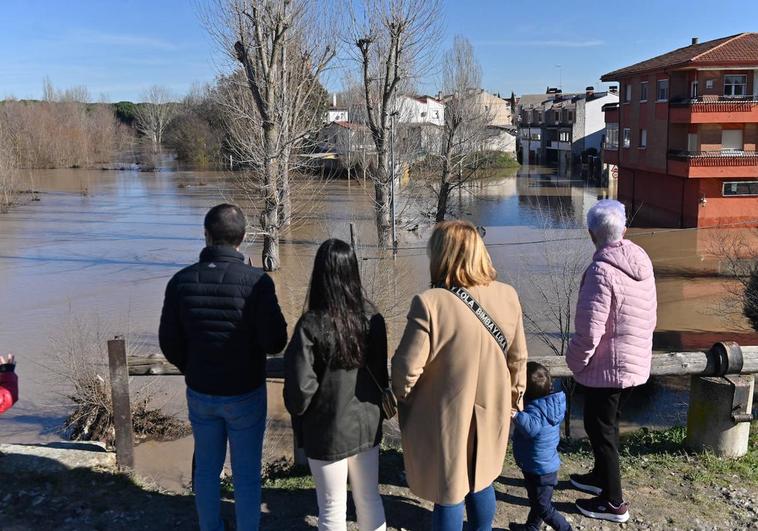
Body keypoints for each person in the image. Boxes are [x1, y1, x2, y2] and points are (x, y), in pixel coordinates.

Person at [392, 220, 528, 531]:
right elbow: (518, 358)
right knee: (483, 477)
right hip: (493, 409)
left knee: (449, 489)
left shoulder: (429, 304)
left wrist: (403, 398)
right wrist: (514, 400)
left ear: (441, 256)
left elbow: (406, 371)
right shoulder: (508, 295)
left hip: (446, 415)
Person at [159, 203, 287, 531]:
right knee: (245, 475)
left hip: (201, 391)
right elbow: (276, 341)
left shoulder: (180, 282)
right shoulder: (257, 282)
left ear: (206, 236)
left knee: (206, 469)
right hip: (245, 390)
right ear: (242, 238)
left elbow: (169, 343)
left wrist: (192, 366)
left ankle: (211, 527)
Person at [284, 238, 387, 531]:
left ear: (320, 274)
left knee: (331, 507)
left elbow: (300, 392)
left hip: (326, 429)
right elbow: (381, 376)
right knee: (369, 498)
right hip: (367, 423)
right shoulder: (373, 318)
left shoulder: (311, 324)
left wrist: (299, 414)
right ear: (353, 272)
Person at [565, 199, 657, 524]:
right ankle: (599, 478)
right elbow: (650, 314)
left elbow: (589, 331)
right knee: (607, 426)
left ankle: (614, 502)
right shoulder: (640, 260)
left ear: (592, 234)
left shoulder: (601, 271)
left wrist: (574, 363)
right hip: (633, 362)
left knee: (599, 429)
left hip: (608, 367)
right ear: (624, 230)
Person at [511, 362, 571, 531]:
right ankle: (531, 527)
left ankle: (565, 528)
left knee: (543, 507)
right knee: (538, 502)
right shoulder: (551, 404)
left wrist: (516, 415)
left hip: (539, 470)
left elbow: (531, 428)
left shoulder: (534, 411)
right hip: (544, 466)